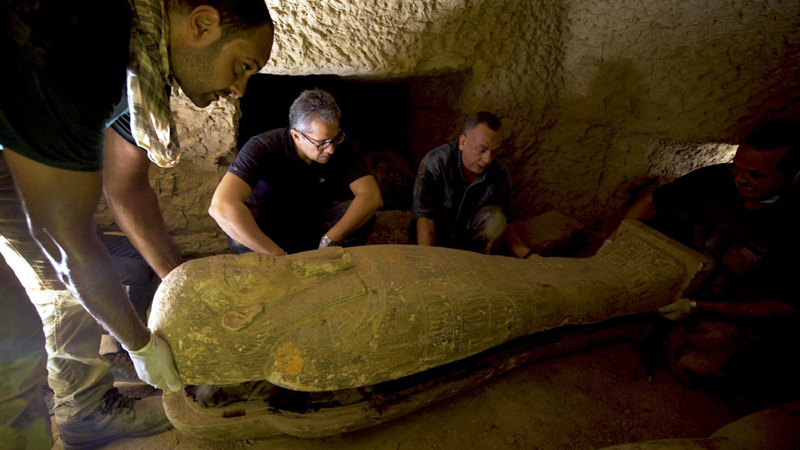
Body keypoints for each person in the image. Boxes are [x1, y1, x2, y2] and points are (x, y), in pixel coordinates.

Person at [0, 0, 274, 448]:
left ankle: (84, 409)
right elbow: (66, 242)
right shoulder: (83, 45)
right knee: (12, 349)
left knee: (64, 287)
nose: (240, 89)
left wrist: (182, 283)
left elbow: (126, 188)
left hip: (14, 141)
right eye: (242, 66)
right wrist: (138, 344)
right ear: (202, 25)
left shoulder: (143, 70)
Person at [605, 119, 800, 388]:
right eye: (737, 167)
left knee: (690, 363)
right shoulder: (721, 178)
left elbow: (781, 307)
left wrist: (697, 307)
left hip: (737, 305)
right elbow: (651, 202)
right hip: (692, 275)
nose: (740, 179)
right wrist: (609, 247)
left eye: (755, 175)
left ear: (793, 175)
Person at [209, 89, 383, 255]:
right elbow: (220, 206)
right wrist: (275, 254)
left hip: (315, 226)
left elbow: (371, 196)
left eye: (335, 139)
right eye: (321, 143)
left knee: (361, 215)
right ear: (296, 135)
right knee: (237, 223)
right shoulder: (263, 146)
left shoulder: (342, 147)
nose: (330, 149)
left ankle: (331, 268)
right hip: (270, 232)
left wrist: (330, 239)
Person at [410, 111, 512, 254]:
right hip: (435, 243)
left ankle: (483, 263)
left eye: (494, 152)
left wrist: (528, 255)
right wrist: (429, 259)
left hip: (470, 248)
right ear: (463, 142)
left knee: (496, 218)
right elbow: (424, 218)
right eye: (481, 150)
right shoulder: (435, 164)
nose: (488, 159)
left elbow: (505, 221)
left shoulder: (499, 173)